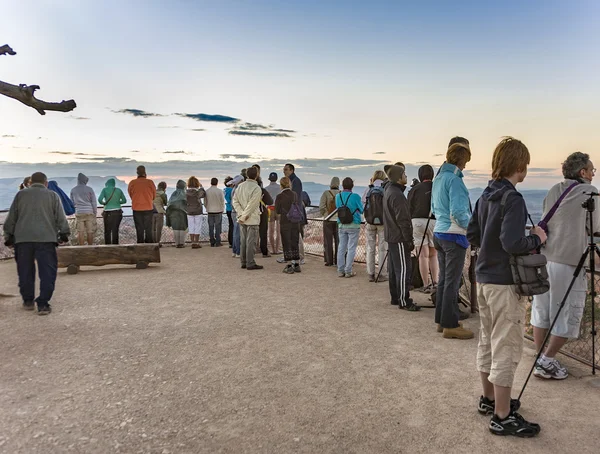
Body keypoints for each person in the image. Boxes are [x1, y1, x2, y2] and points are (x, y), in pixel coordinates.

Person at [467, 137, 545, 437]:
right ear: (519, 166)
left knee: (488, 340)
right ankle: (502, 415)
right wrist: (537, 238)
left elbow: (474, 233)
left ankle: (489, 399)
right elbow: (514, 243)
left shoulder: (485, 195)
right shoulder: (513, 199)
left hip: (483, 278)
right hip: (504, 282)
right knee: (506, 345)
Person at [531, 152, 600, 380]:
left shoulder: (553, 190)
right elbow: (595, 226)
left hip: (546, 258)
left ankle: (541, 358)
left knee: (542, 312)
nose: (593, 173)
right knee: (568, 312)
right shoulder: (589, 191)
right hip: (569, 262)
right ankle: (547, 360)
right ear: (583, 172)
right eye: (592, 170)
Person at [3, 172, 70, 315]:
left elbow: (11, 218)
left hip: (23, 240)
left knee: (25, 271)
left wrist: (8, 236)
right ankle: (43, 304)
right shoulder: (52, 196)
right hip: (46, 240)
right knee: (47, 272)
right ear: (46, 183)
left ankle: (28, 301)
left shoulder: (20, 195)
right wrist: (64, 234)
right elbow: (60, 217)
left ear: (31, 182)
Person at [431, 141, 474, 339]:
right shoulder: (455, 180)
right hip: (453, 233)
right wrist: (472, 227)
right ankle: (450, 324)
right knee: (452, 280)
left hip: (439, 232)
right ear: (461, 159)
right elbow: (458, 212)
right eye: (466, 161)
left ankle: (441, 319)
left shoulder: (439, 178)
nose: (465, 166)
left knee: (444, 279)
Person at [383, 165, 420, 311]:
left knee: (394, 269)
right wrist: (409, 239)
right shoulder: (398, 195)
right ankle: (404, 300)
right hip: (399, 237)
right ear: (398, 178)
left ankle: (395, 297)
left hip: (391, 236)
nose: (406, 176)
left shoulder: (389, 191)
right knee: (404, 268)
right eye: (404, 174)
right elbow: (403, 220)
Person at [408, 165, 438, 292]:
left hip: (417, 222)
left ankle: (425, 284)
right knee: (433, 254)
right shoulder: (437, 188)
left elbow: (409, 207)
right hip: (434, 221)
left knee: (422, 256)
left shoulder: (415, 189)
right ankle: (435, 282)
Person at [232, 166, 263, 270]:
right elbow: (252, 205)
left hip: (241, 219)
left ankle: (243, 261)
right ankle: (250, 262)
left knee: (243, 241)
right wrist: (245, 215)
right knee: (251, 242)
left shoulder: (240, 187)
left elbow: (235, 201)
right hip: (252, 219)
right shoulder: (256, 188)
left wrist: (241, 215)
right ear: (257, 175)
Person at [362, 170, 388, 282]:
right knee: (382, 248)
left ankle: (370, 273)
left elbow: (363, 203)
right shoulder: (385, 189)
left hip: (370, 222)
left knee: (370, 248)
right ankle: (382, 273)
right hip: (383, 222)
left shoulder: (369, 189)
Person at [336, 177, 363, 278]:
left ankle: (340, 270)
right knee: (351, 248)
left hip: (341, 224)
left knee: (341, 247)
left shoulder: (338, 196)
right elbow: (361, 210)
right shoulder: (355, 196)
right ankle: (348, 270)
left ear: (342, 185)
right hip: (354, 224)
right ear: (352, 185)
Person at [275, 177, 301, 273]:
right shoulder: (294, 194)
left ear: (281, 185)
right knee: (295, 241)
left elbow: (277, 210)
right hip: (295, 221)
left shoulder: (279, 196)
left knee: (286, 242)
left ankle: (289, 265)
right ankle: (297, 264)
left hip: (285, 221)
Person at [283, 163, 306, 264]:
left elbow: (294, 197)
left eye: (286, 169)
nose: (284, 171)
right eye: (284, 170)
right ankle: (293, 256)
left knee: (297, 235)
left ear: (292, 170)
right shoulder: (293, 180)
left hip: (294, 213)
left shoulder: (295, 181)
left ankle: (300, 256)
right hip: (292, 212)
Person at [128, 165, 156, 243]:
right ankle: (149, 244)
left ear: (137, 172)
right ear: (145, 172)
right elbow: (154, 196)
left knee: (139, 228)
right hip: (148, 208)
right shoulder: (150, 182)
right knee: (148, 228)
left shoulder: (132, 183)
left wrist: (136, 200)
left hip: (136, 208)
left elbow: (131, 194)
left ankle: (140, 245)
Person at [70, 173, 97, 246]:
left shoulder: (73, 190)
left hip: (79, 212)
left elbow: (71, 203)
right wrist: (95, 212)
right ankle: (90, 247)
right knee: (90, 231)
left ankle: (81, 248)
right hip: (89, 212)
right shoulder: (90, 189)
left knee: (80, 232)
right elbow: (93, 202)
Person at [98, 178, 127, 245]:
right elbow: (124, 200)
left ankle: (107, 246)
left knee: (107, 231)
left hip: (107, 213)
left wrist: (104, 203)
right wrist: (117, 202)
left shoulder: (104, 190)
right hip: (118, 212)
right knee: (115, 230)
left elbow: (100, 200)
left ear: (107, 184)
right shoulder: (119, 190)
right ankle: (115, 246)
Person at [319, 177, 340, 267]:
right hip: (338, 220)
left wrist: (326, 214)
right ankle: (338, 260)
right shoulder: (341, 193)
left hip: (328, 219)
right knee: (339, 241)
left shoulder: (326, 193)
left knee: (328, 241)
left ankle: (329, 260)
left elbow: (321, 206)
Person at [166, 180, 188, 248]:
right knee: (183, 228)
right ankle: (182, 243)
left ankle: (177, 243)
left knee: (175, 228)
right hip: (183, 213)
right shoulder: (185, 194)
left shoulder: (174, 194)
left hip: (173, 213)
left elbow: (169, 203)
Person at [186, 176, 206, 249]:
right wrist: (201, 187)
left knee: (191, 226)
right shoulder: (198, 192)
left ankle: (192, 242)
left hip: (189, 210)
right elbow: (203, 194)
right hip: (198, 211)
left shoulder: (186, 192)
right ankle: (196, 242)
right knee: (198, 226)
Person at [228, 174, 244, 258]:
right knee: (238, 233)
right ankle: (238, 251)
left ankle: (234, 250)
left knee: (235, 232)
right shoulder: (238, 189)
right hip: (237, 212)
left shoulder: (233, 188)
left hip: (233, 212)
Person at [205, 177, 225, 247]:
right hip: (218, 211)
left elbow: (205, 202)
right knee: (218, 227)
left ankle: (212, 241)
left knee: (211, 226)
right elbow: (222, 201)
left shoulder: (207, 191)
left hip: (210, 211)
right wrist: (222, 208)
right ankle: (218, 241)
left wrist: (207, 207)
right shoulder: (220, 191)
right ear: (217, 183)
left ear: (211, 182)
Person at [265, 172, 282, 254]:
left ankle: (272, 249)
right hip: (279, 209)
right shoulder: (280, 188)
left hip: (270, 209)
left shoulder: (266, 188)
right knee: (278, 230)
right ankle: (277, 248)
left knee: (271, 230)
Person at [259, 185, 274, 257]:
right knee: (263, 233)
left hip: (249, 213)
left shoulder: (244, 188)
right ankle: (264, 251)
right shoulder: (262, 190)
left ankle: (248, 251)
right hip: (261, 213)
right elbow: (270, 201)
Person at [152, 182, 168, 246]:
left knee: (152, 228)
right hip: (159, 212)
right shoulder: (163, 194)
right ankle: (157, 242)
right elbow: (165, 203)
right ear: (165, 187)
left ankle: (153, 242)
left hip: (151, 211)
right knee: (158, 228)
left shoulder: (152, 192)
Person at [224, 176, 234, 248]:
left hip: (228, 209)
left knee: (230, 225)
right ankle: (233, 241)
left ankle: (230, 241)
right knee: (234, 226)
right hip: (232, 209)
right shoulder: (231, 190)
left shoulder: (225, 190)